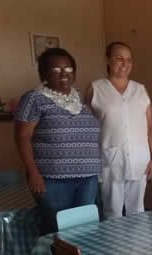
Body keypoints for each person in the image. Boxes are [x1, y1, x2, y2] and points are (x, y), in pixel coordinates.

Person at [14, 48, 101, 234]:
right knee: (57, 231)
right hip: (52, 180)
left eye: (68, 69)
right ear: (44, 73)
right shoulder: (34, 98)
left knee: (85, 231)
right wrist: (33, 173)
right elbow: (22, 137)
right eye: (56, 69)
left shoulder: (80, 98)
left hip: (88, 178)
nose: (63, 74)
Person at [85, 41, 152, 219]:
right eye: (119, 58)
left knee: (137, 210)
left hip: (139, 159)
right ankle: (114, 239)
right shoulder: (96, 88)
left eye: (129, 59)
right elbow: (86, 129)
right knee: (112, 212)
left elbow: (150, 126)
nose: (125, 63)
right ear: (107, 60)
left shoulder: (140, 89)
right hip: (110, 160)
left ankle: (138, 239)